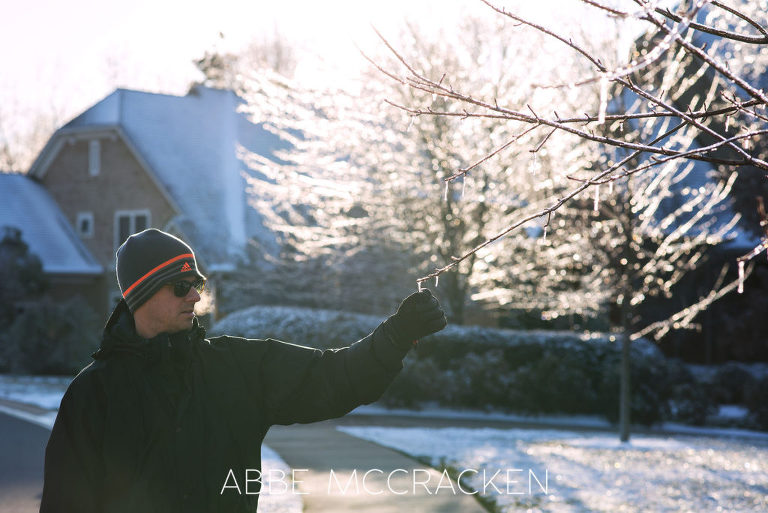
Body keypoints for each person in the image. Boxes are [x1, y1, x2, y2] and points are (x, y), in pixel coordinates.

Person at [39, 228, 447, 513]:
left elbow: (332, 377)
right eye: (181, 286)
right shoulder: (93, 394)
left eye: (196, 283)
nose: (195, 295)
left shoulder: (234, 368)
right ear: (142, 295)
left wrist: (397, 335)